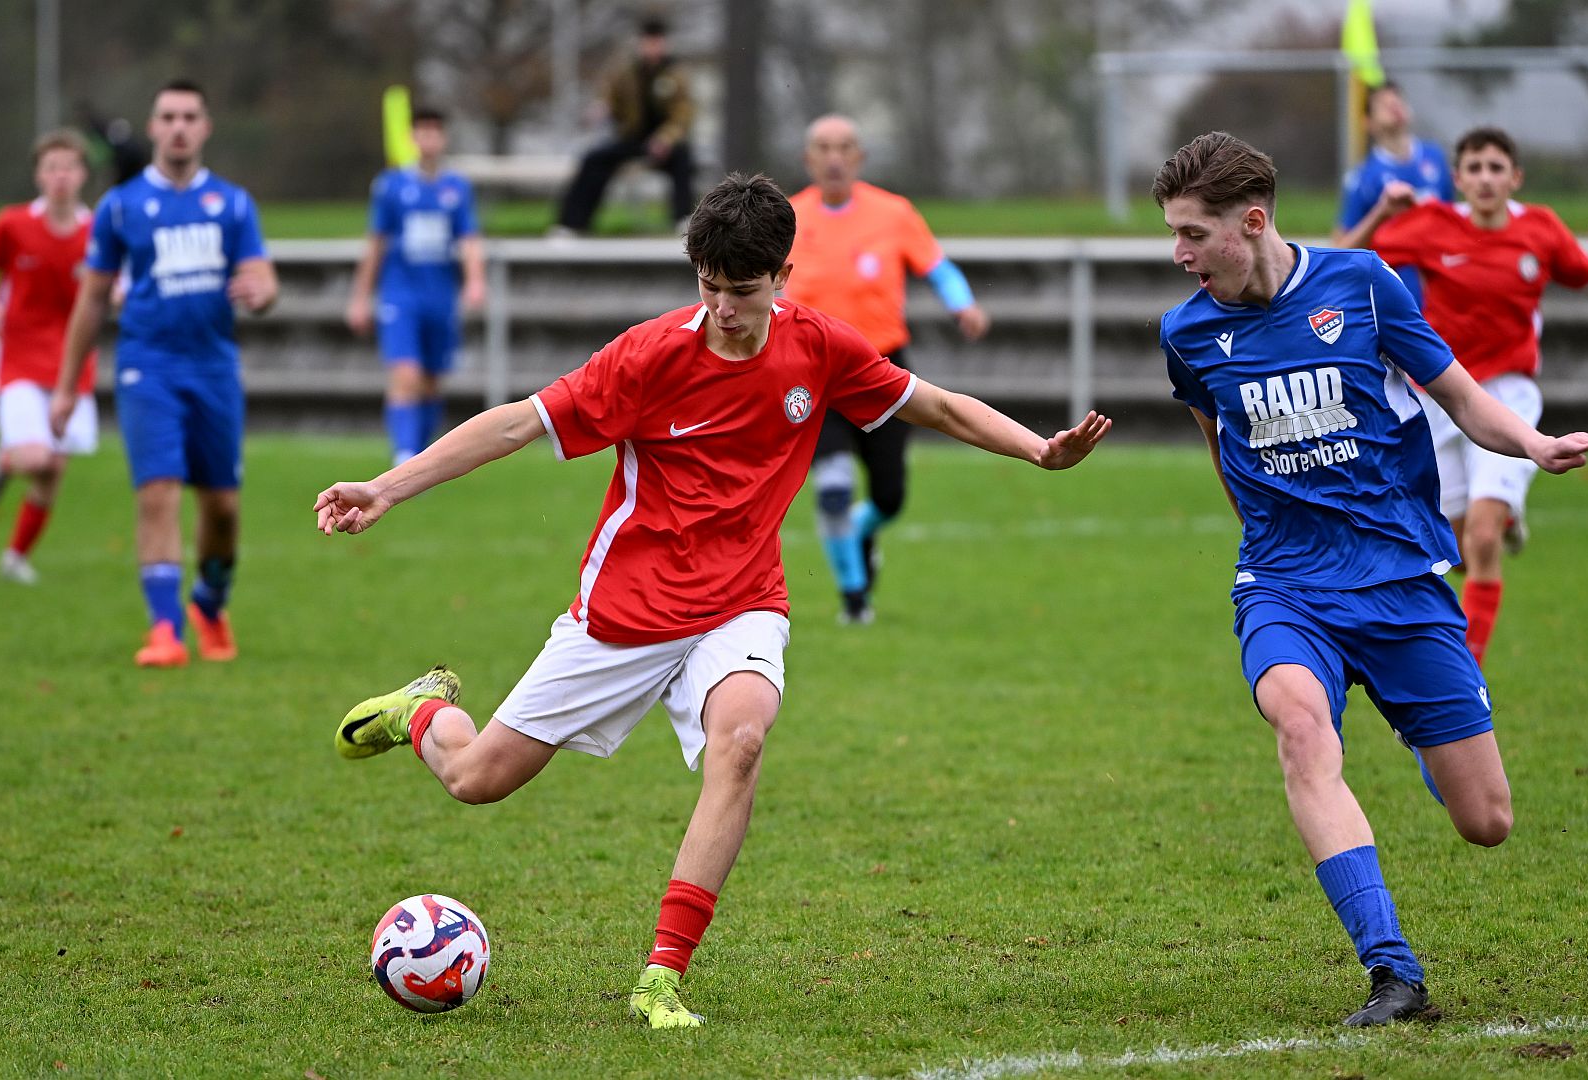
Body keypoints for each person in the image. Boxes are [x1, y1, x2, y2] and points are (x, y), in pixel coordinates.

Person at [314, 174, 1109, 1030]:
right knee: (477, 781)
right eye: (709, 287)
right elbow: (516, 423)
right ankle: (423, 713)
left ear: (783, 277)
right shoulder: (649, 358)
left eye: (742, 291)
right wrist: (388, 488)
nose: (723, 309)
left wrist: (1039, 452)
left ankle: (662, 976)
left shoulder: (820, 348)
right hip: (624, 610)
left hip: (742, 601)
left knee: (741, 740)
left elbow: (937, 405)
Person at [1155, 131, 1588, 1025]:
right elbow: (1225, 450)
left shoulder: (1364, 283)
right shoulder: (1186, 334)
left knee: (1486, 820)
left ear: (1250, 223)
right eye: (1172, 234)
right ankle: (1393, 973)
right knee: (1300, 728)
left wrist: (1534, 444)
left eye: (1191, 234)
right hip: (1285, 585)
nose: (1178, 255)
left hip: (1400, 578)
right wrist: (1268, 546)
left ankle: (1421, 734)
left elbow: (1462, 396)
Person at [1336, 126, 1588, 668]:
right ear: (1458, 179)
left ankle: (1467, 670)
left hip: (1508, 392)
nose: (1485, 178)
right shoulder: (1431, 225)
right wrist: (1382, 210)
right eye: (1474, 168)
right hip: (1442, 394)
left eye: (1496, 167)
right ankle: (1502, 524)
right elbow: (1337, 261)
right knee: (1451, 546)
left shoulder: (1540, 230)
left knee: (1484, 536)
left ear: (1515, 177)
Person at [51, 78, 279, 667]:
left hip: (213, 369)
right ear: (153, 127)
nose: (178, 127)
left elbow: (263, 278)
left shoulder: (231, 203)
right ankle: (164, 630)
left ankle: (209, 601)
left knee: (222, 510)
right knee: (157, 494)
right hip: (146, 368)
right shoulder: (121, 206)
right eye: (168, 117)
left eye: (189, 117)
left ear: (204, 128)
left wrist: (260, 292)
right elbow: (92, 300)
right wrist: (65, 386)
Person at [785, 114, 991, 623]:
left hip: (882, 370)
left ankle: (861, 532)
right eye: (824, 148)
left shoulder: (893, 213)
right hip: (815, 375)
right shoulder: (787, 219)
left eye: (845, 147)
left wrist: (962, 304)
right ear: (809, 159)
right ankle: (855, 600)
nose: (834, 157)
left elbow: (937, 267)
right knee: (831, 488)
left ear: (859, 157)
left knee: (890, 496)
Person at [0, 130, 101, 585]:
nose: (60, 176)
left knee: (54, 468)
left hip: (72, 361)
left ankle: (14, 557)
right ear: (39, 175)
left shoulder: (97, 231)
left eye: (68, 167)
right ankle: (7, 461)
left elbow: (113, 285)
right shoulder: (13, 224)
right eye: (51, 168)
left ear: (82, 174)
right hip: (19, 355)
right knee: (37, 459)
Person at [346, 105, 486, 465]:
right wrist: (360, 297)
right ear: (411, 137)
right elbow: (375, 244)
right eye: (422, 131)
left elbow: (469, 239)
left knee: (432, 380)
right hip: (400, 295)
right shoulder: (391, 186)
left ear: (444, 137)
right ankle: (404, 455)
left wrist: (474, 280)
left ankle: (420, 456)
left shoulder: (456, 187)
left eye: (435, 131)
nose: (429, 138)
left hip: (439, 296)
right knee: (406, 374)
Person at [552, 15, 695, 236]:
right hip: (633, 137)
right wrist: (602, 108)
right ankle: (572, 223)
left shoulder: (676, 74)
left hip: (665, 141)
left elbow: (682, 114)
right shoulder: (627, 72)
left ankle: (683, 220)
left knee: (683, 158)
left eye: (656, 42)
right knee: (594, 159)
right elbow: (610, 97)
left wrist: (666, 138)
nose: (652, 47)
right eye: (648, 42)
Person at [1330, 82, 1455, 304]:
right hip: (1395, 292)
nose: (1394, 106)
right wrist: (1382, 213)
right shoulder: (1363, 178)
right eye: (1383, 104)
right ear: (1368, 122)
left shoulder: (1435, 157)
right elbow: (1341, 250)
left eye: (1397, 100)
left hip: (1441, 287)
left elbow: (1453, 220)